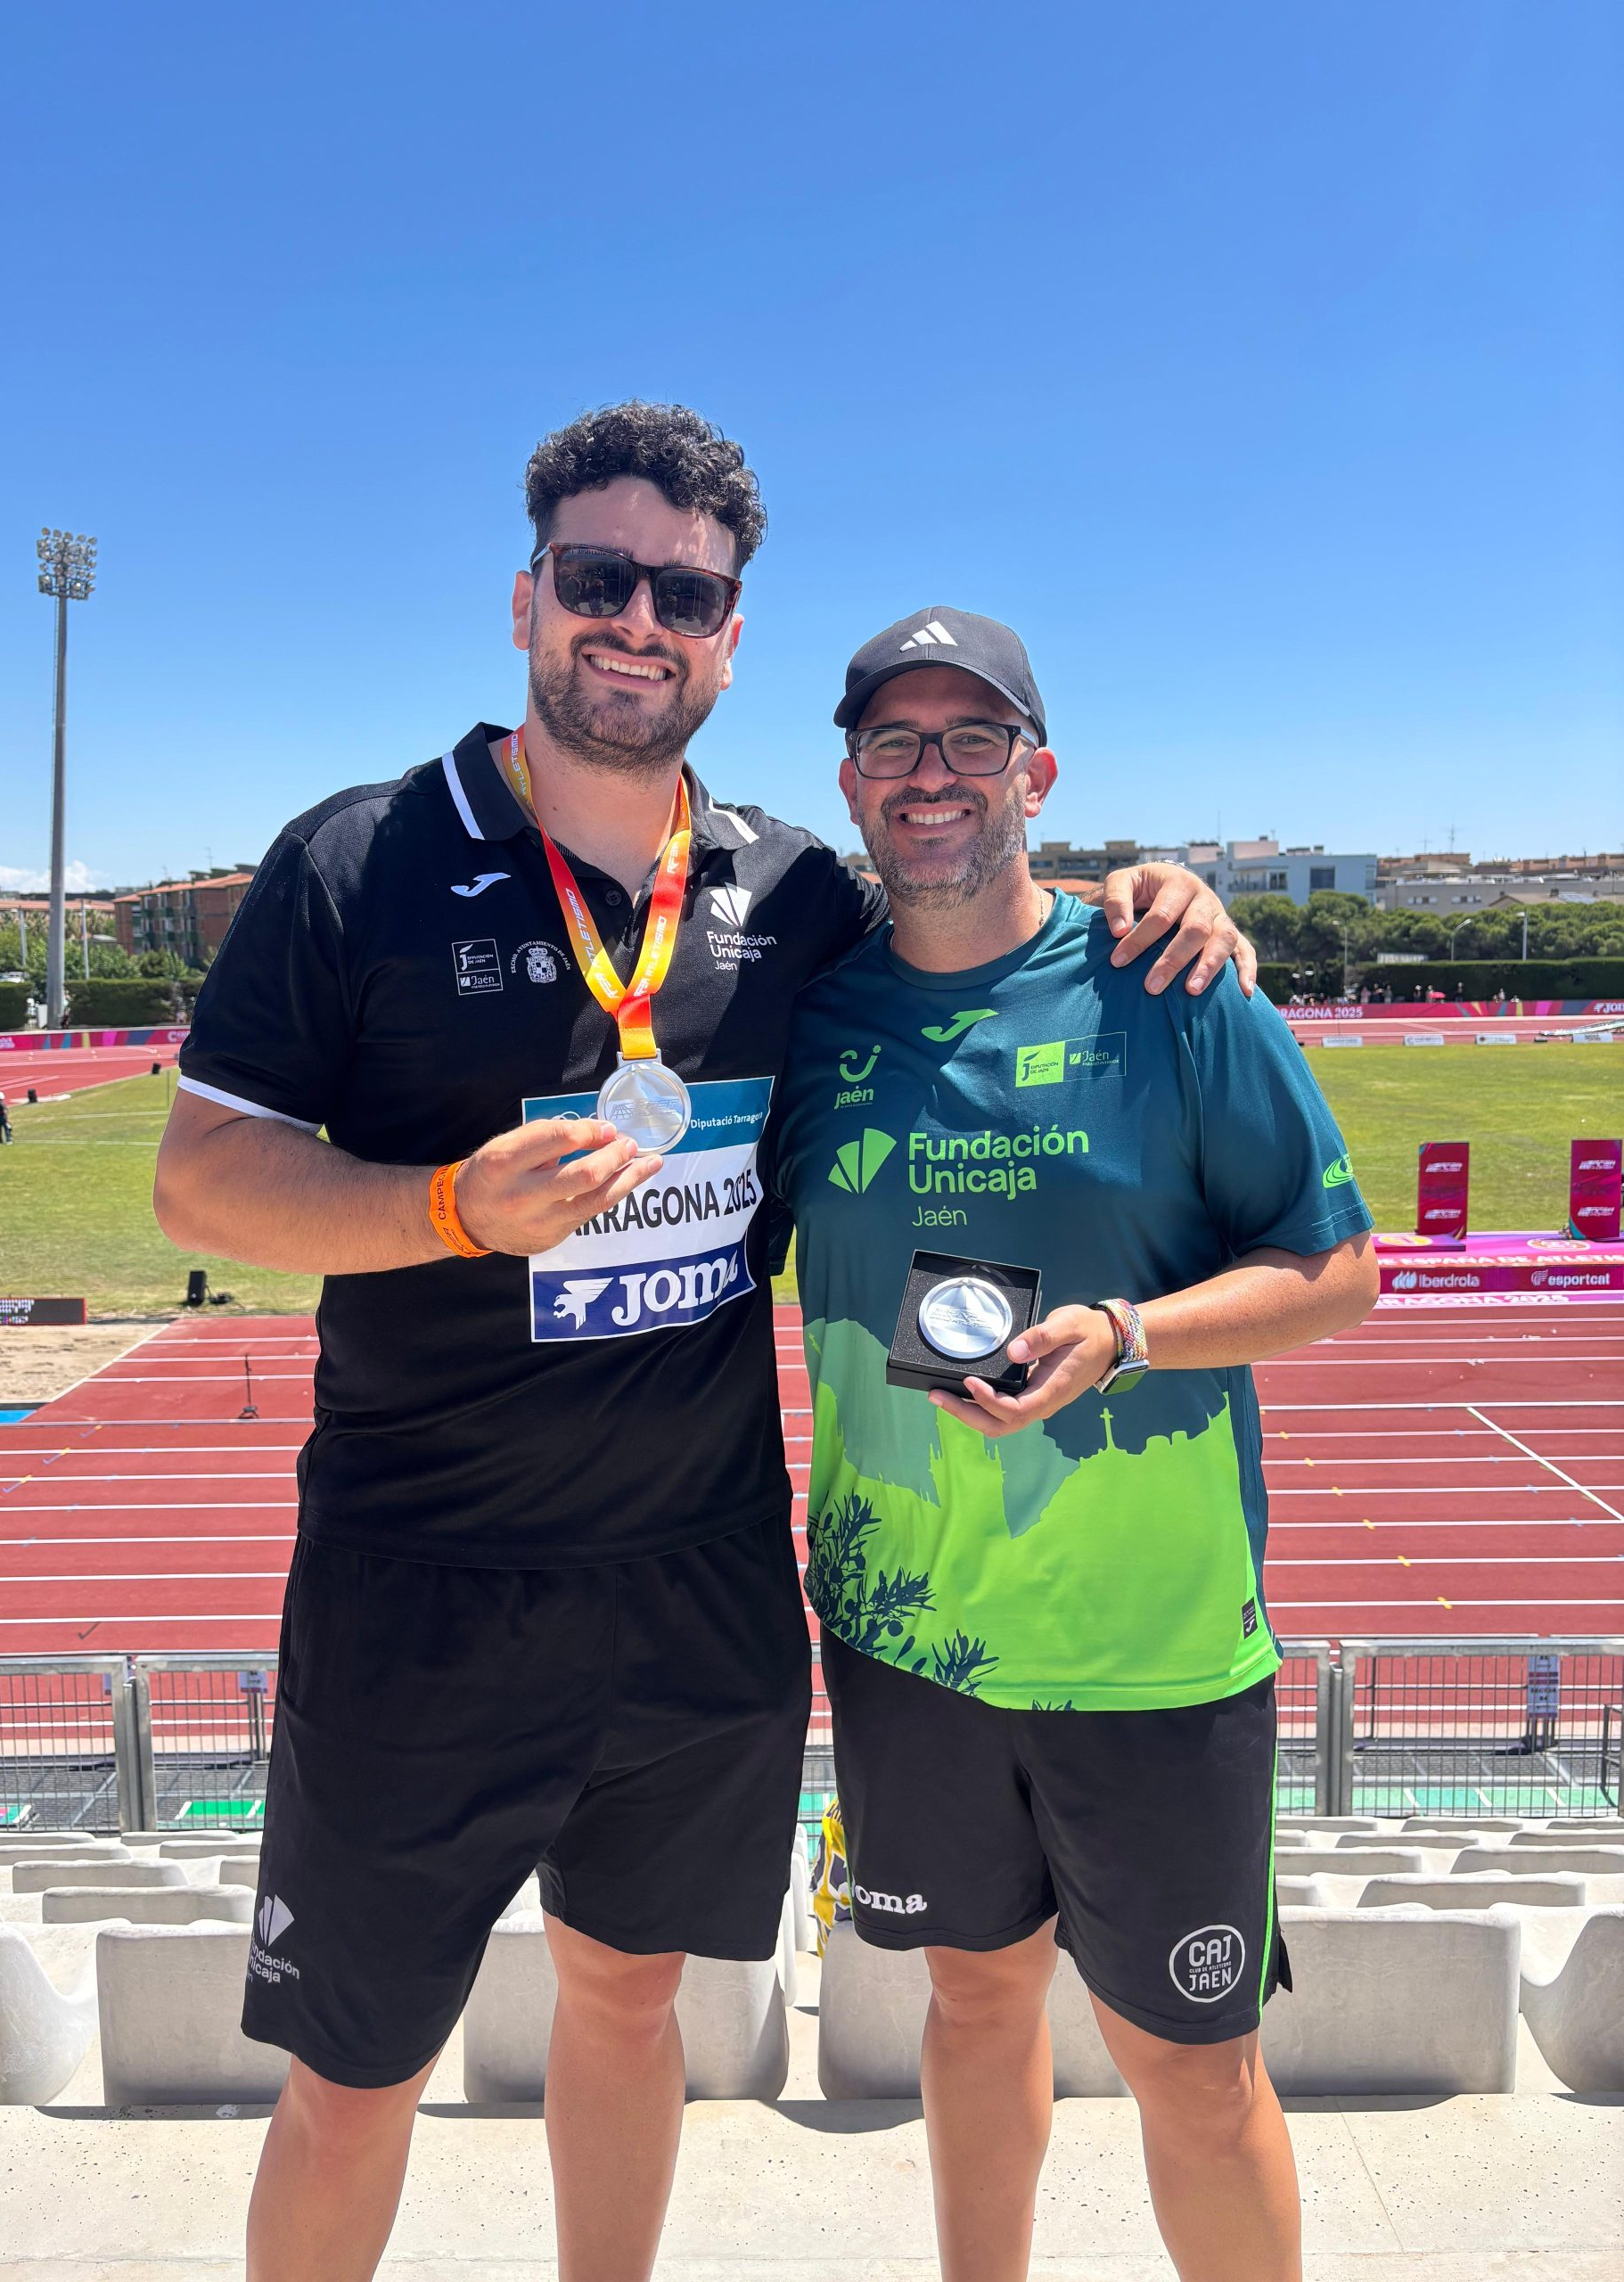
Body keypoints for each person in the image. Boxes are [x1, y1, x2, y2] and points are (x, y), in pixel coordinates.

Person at [152, 403, 1251, 2282]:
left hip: (695, 1584)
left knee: (631, 1996)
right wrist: (444, 1208)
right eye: (600, 577)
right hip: (421, 1581)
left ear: (731, 638)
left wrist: (1148, 895)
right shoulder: (359, 859)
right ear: (527, 598)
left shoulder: (795, 892)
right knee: (355, 2070)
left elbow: (978, 919)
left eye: (686, 593)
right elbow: (201, 1180)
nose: (637, 620)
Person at [765, 607, 1378, 2282]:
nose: (932, 772)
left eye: (973, 738)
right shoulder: (814, 1018)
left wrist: (1131, 1335)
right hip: (910, 1634)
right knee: (972, 2005)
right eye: (895, 742)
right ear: (850, 780)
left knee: (1197, 2071)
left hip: (1150, 1646)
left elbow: (1340, 1269)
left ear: (1036, 774)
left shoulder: (1169, 984)